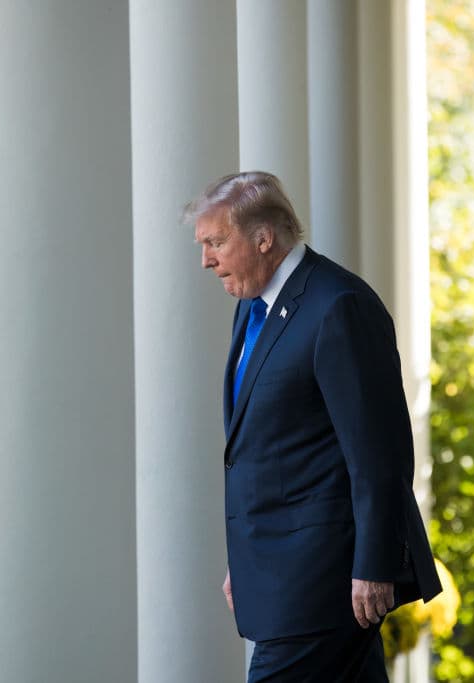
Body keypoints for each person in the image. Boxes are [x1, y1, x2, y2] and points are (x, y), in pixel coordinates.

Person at [184, 171, 442, 682]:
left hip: (323, 581)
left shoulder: (337, 305)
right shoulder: (252, 307)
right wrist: (247, 558)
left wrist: (375, 565)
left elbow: (379, 455)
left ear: (264, 238)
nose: (206, 260)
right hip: (283, 572)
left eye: (216, 243)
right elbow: (272, 450)